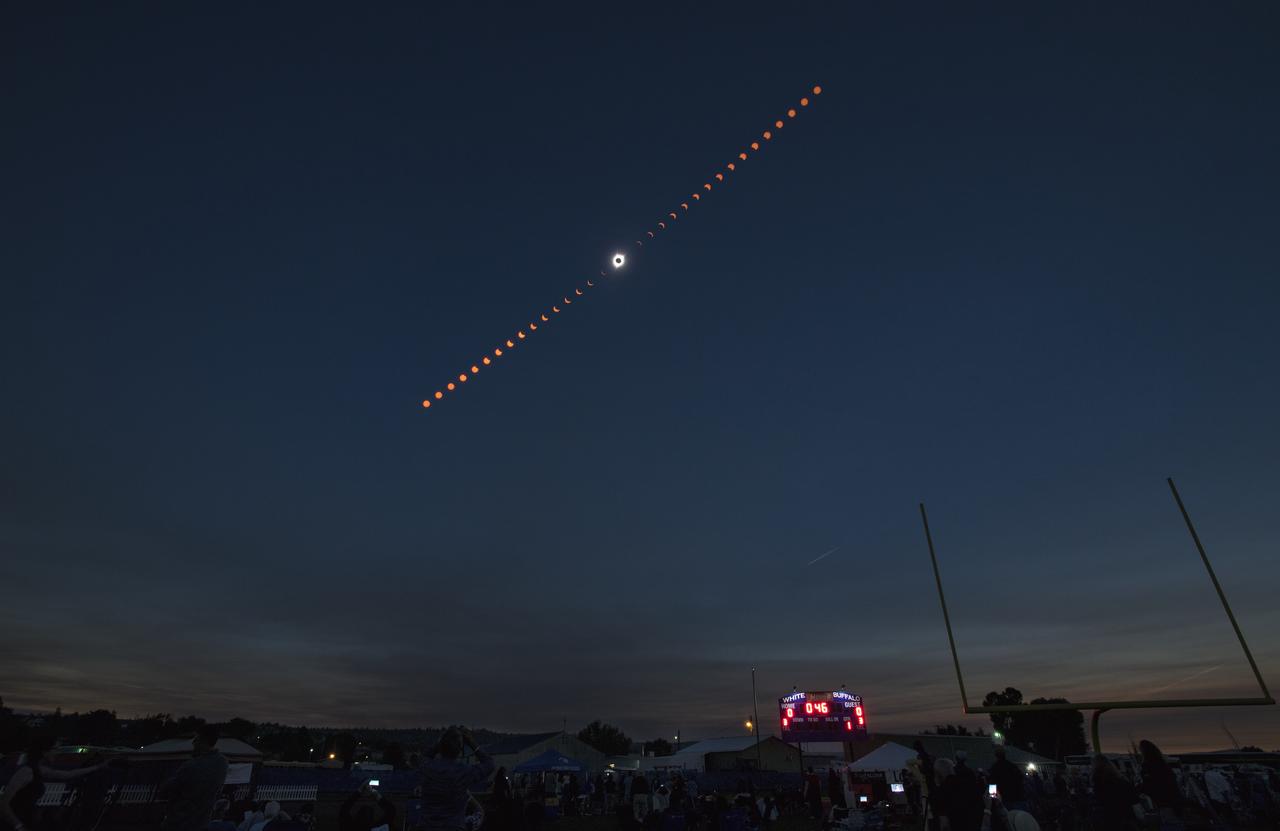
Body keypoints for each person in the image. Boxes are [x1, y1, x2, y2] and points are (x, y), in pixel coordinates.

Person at [0, 734, 115, 831]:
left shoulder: (40, 770)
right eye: (55, 749)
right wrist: (18, 826)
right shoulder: (26, 772)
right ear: (45, 752)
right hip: (14, 824)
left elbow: (68, 774)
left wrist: (98, 767)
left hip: (27, 822)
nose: (58, 752)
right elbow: (3, 803)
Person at [419, 727, 495, 831]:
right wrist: (472, 743)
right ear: (460, 749)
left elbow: (424, 756)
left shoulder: (428, 767)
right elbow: (489, 764)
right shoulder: (464, 771)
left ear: (441, 746)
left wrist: (440, 743)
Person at [157, 725, 230, 831]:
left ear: (203, 740)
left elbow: (165, 791)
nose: (193, 743)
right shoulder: (223, 763)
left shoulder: (191, 765)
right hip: (202, 823)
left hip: (179, 823)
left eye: (196, 739)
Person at [1090, 756, 1141, 831]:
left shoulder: (1098, 781)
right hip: (1125, 815)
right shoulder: (1121, 780)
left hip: (1109, 817)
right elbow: (1134, 798)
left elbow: (1099, 800)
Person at [1137, 740, 1182, 824]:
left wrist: (1137, 789)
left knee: (1169, 822)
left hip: (1165, 802)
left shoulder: (1149, 766)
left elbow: (1149, 784)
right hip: (1172, 801)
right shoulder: (1162, 764)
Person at [988, 746, 1028, 812]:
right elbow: (1021, 779)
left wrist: (994, 799)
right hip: (1017, 797)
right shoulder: (1012, 766)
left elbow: (992, 784)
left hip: (1004, 800)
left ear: (996, 755)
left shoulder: (994, 768)